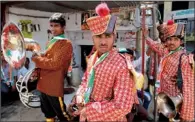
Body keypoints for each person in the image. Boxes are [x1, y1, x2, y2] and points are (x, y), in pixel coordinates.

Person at [69, 3, 138, 122]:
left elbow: (122, 106)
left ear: (114, 37)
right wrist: (79, 96)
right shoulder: (92, 58)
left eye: (107, 36)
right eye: (98, 36)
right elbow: (85, 81)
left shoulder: (121, 65)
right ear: (92, 38)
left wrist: (88, 111)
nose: (103, 42)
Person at [145, 20, 194, 121]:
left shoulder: (184, 58)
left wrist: (187, 116)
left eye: (175, 39)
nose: (171, 42)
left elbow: (189, 88)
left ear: (180, 41)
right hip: (163, 101)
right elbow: (154, 45)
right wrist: (146, 36)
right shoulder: (166, 51)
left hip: (175, 104)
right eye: (169, 39)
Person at [31, 13, 73, 122]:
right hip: (43, 85)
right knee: (47, 112)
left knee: (62, 114)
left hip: (53, 86)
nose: (53, 29)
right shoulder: (51, 41)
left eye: (56, 25)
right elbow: (47, 58)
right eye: (51, 25)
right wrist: (37, 67)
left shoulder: (65, 43)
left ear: (63, 27)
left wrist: (36, 59)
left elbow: (54, 64)